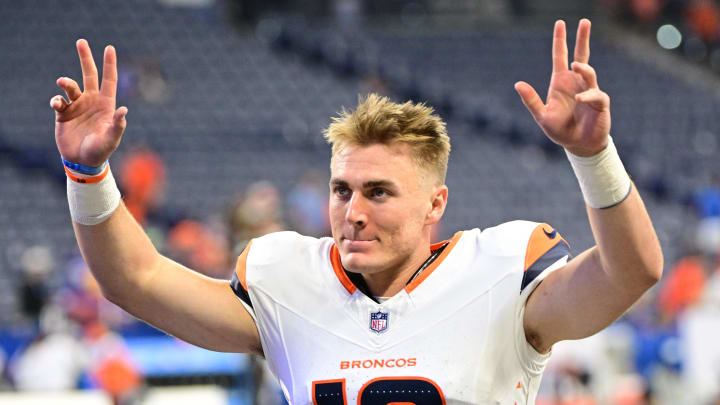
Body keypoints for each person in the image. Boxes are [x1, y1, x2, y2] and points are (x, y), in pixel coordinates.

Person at [50, 19, 663, 404]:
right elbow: (134, 279)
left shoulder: (500, 272)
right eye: (342, 190)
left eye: (379, 191)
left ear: (435, 204)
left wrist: (593, 155)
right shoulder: (289, 279)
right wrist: (87, 173)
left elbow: (630, 272)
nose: (354, 212)